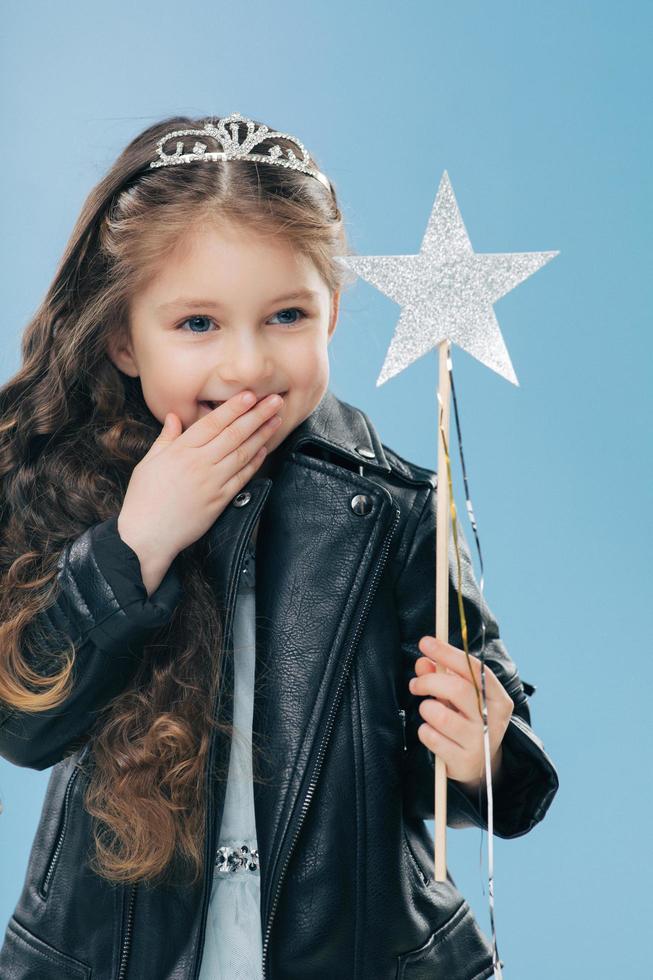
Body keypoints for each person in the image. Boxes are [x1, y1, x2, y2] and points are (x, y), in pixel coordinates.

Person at [0, 112, 559, 980]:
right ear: (123, 339)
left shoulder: (396, 506)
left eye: (285, 315)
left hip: (352, 948)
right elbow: (24, 724)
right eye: (197, 324)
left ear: (330, 314)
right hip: (115, 954)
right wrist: (135, 543)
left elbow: (476, 744)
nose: (249, 364)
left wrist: (484, 753)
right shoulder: (79, 485)